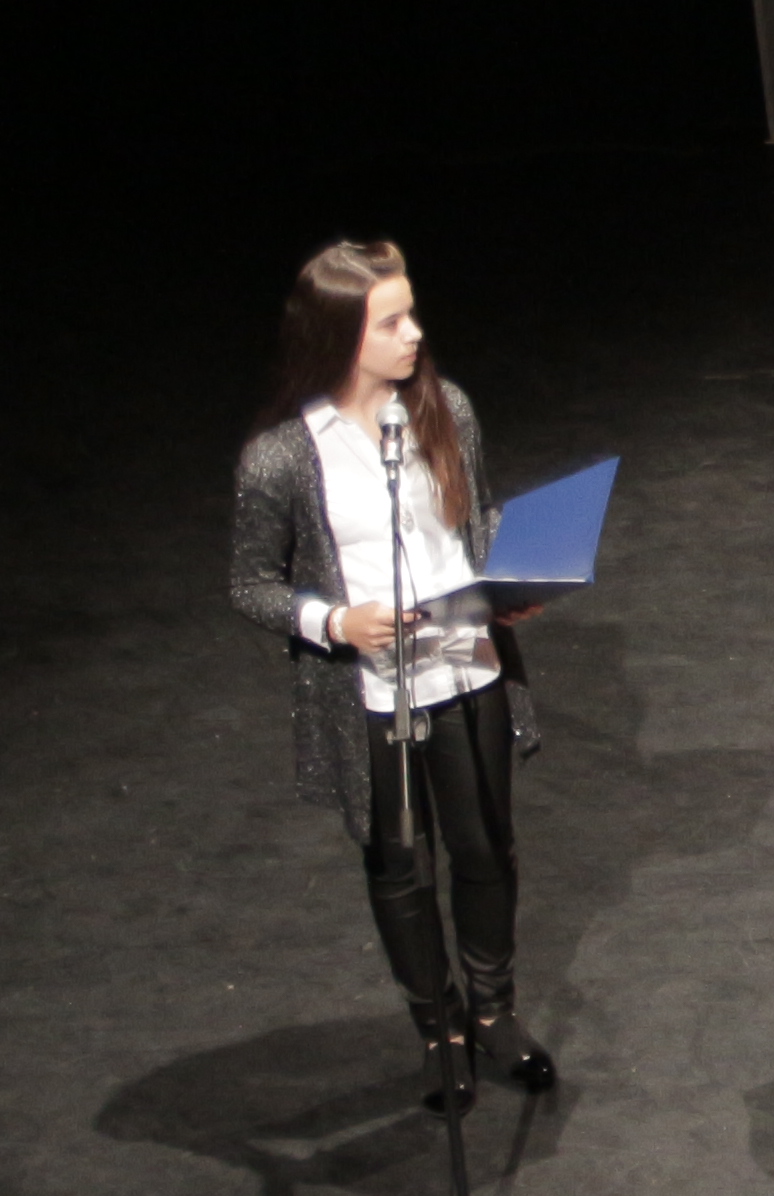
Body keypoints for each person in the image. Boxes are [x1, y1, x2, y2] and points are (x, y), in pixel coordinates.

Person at [229, 242, 549, 1111]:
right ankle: (439, 1030)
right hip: (374, 693)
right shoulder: (283, 456)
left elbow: (473, 519)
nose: (414, 334)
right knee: (401, 863)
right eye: (391, 321)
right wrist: (335, 622)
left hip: (467, 670)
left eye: (411, 314)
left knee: (484, 848)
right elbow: (250, 584)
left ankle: (493, 1012)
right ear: (339, 335)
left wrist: (514, 582)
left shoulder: (446, 409)